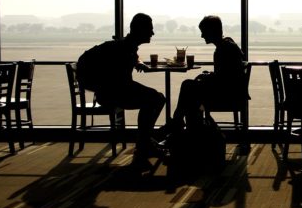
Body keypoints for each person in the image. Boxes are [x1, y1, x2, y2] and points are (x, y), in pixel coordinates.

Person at [77, 13, 165, 170]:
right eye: (150, 29)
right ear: (140, 30)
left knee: (155, 98)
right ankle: (142, 146)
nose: (152, 33)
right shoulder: (124, 49)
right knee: (156, 99)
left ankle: (144, 143)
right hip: (113, 93)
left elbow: (131, 56)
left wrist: (137, 61)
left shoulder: (124, 46)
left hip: (114, 91)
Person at [169, 16, 248, 144]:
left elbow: (224, 78)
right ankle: (182, 128)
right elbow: (226, 74)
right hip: (232, 91)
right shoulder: (227, 46)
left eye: (203, 32)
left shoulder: (223, 49)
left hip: (228, 94)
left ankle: (180, 127)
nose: (202, 36)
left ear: (212, 31)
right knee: (189, 89)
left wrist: (207, 77)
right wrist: (210, 76)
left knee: (188, 87)